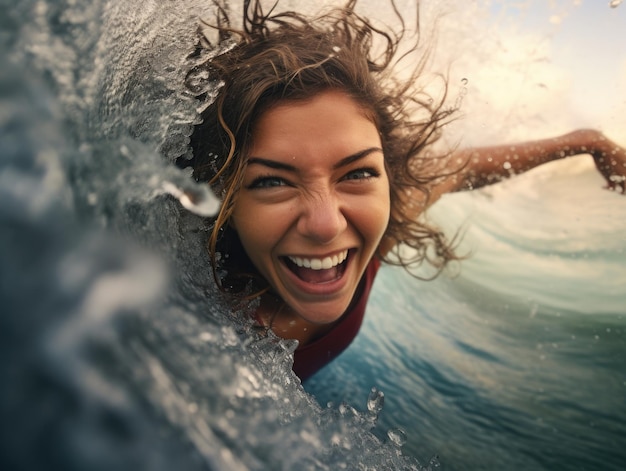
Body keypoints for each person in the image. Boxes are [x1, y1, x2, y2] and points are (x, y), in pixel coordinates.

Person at [178, 0, 626, 381]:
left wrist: (584, 142)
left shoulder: (384, 219)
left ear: (390, 175)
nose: (326, 224)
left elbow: (463, 166)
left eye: (357, 173)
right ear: (226, 199)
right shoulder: (192, 302)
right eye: (272, 181)